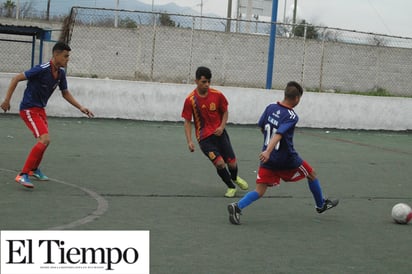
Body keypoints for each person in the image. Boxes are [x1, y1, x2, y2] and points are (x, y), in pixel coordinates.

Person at [227, 81, 338, 225]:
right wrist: (268, 150)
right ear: (297, 99)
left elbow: (261, 126)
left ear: (285, 94)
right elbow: (279, 134)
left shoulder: (270, 108)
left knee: (259, 191)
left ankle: (237, 206)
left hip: (267, 160)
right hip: (287, 159)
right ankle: (320, 205)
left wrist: (267, 149)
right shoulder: (291, 116)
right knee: (311, 174)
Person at [1, 41, 94, 189]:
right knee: (44, 139)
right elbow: (16, 78)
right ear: (56, 55)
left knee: (45, 141)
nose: (67, 59)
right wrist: (6, 100)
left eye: (68, 56)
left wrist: (81, 107)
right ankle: (22, 175)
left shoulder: (61, 73)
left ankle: (33, 169)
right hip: (28, 109)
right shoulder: (41, 69)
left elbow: (65, 93)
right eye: (65, 56)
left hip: (40, 110)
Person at [181, 66, 248, 197]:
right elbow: (187, 121)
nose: (207, 84)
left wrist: (222, 127)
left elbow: (225, 112)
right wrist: (189, 141)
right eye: (203, 82)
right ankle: (230, 186)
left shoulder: (217, 95)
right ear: (196, 81)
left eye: (208, 82)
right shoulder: (190, 100)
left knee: (232, 163)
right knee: (220, 163)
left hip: (220, 135)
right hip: (205, 139)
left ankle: (234, 177)